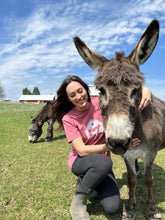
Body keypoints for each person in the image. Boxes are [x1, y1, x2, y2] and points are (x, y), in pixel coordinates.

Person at [54, 75, 151, 220]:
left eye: (80, 91)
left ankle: (91, 183)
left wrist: (145, 89)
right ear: (68, 99)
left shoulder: (100, 104)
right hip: (81, 161)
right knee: (104, 162)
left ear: (86, 89)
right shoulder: (69, 118)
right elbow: (81, 150)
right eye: (72, 95)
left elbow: (120, 92)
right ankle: (78, 201)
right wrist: (110, 146)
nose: (78, 96)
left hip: (102, 166)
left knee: (113, 208)